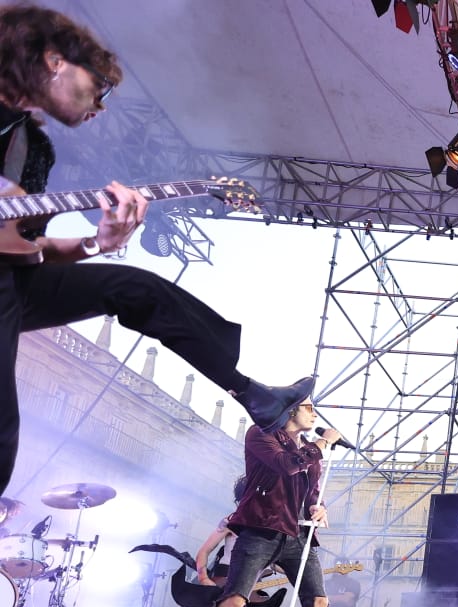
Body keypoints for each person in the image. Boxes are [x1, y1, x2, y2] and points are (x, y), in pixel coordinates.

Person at [0, 4, 313, 495]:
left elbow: (26, 247)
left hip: (11, 283)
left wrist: (95, 242)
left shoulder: (32, 149)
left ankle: (253, 394)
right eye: (99, 86)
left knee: (135, 288)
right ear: (55, 60)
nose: (101, 107)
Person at [176, 399, 340, 607]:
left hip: (298, 535)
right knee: (233, 602)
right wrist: (322, 442)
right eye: (308, 408)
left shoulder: (308, 448)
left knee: (317, 601)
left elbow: (311, 490)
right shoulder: (261, 435)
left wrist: (319, 506)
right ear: (290, 410)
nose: (314, 413)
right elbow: (286, 465)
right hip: (260, 531)